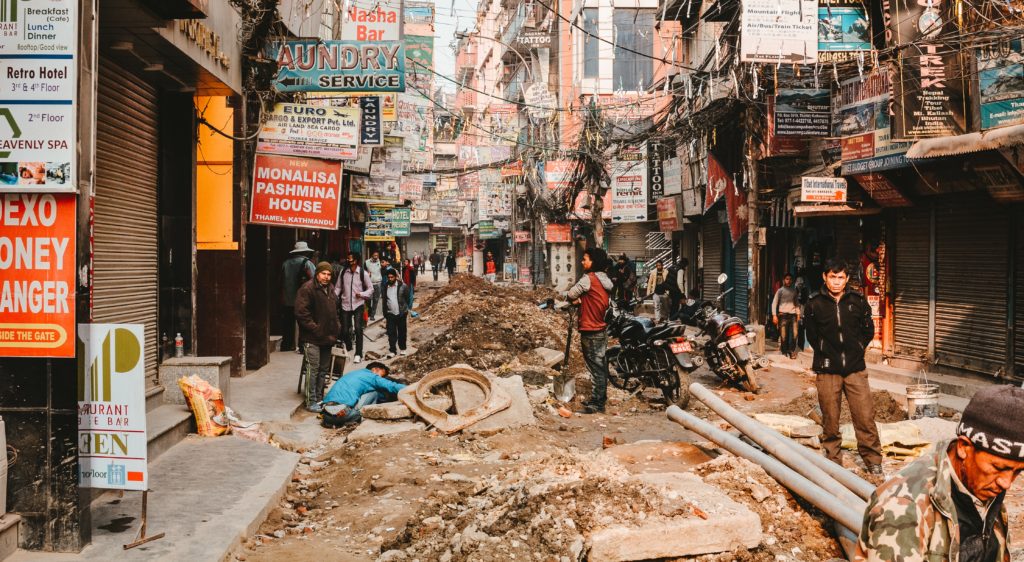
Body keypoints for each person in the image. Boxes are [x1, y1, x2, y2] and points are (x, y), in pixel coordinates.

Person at [856, 385, 1024, 562]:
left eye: (1018, 471)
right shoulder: (903, 506)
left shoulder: (982, 484)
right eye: (998, 468)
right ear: (964, 448)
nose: (1006, 483)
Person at [804, 258, 883, 477]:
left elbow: (868, 330)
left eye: (840, 277)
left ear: (847, 279)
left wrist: (857, 349)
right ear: (824, 277)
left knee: (865, 417)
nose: (836, 282)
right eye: (832, 277)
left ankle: (873, 462)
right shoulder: (814, 303)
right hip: (827, 370)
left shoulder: (857, 300)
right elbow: (811, 334)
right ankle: (833, 462)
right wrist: (823, 351)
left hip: (855, 369)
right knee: (830, 419)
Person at [564, 247, 614, 414]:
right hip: (601, 328)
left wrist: (577, 300)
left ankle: (597, 403)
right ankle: (600, 399)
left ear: (594, 262)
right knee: (599, 365)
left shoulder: (589, 279)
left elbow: (571, 294)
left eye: (585, 259)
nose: (582, 261)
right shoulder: (605, 280)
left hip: (591, 328)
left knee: (596, 367)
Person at [294, 262, 341, 412]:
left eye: (329, 274)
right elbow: (301, 313)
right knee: (312, 369)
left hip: (328, 337)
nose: (326, 277)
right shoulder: (307, 289)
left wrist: (337, 327)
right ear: (317, 274)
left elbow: (335, 310)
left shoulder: (331, 289)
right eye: (323, 274)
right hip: (312, 337)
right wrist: (316, 328)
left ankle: (320, 398)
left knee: (323, 369)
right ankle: (310, 401)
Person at [320, 362, 406, 427]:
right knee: (374, 393)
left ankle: (333, 423)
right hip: (343, 415)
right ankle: (361, 417)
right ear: (375, 369)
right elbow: (391, 386)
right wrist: (411, 388)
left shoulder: (353, 374)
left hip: (326, 415)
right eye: (381, 375)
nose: (380, 378)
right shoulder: (371, 376)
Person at [334, 252, 374, 364]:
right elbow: (338, 287)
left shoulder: (363, 273)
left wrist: (361, 294)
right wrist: (333, 298)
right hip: (345, 304)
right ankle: (349, 346)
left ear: (356, 260)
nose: (348, 260)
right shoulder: (343, 272)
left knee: (358, 328)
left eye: (350, 259)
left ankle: (358, 354)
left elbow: (371, 289)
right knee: (345, 330)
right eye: (347, 258)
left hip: (358, 305)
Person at [280, 241, 316, 352]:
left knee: (287, 323)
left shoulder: (285, 263)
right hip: (302, 299)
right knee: (303, 323)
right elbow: (315, 280)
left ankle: (286, 344)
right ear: (305, 251)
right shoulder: (307, 263)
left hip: (287, 298)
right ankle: (302, 346)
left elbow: (281, 280)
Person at [772, 273, 801, 359]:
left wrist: (798, 314)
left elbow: (796, 303)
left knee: (794, 335)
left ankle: (791, 351)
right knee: (784, 335)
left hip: (793, 315)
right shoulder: (780, 291)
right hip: (783, 315)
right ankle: (784, 351)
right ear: (784, 280)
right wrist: (774, 315)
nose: (788, 281)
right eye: (787, 279)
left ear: (792, 281)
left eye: (790, 279)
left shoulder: (794, 291)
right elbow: (774, 303)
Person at [382, 268, 410, 357]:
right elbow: (384, 300)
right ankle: (392, 350)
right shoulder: (385, 286)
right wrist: (385, 312)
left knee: (402, 332)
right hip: (390, 313)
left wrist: (405, 309)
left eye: (392, 277)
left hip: (401, 313)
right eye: (389, 277)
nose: (390, 279)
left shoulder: (403, 286)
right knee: (391, 333)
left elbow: (408, 298)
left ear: (396, 277)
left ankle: (402, 348)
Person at [365, 251, 383, 321]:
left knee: (376, 300)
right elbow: (364, 272)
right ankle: (369, 312)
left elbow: (382, 270)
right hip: (369, 284)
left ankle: (372, 315)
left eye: (377, 256)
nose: (376, 257)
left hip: (378, 283)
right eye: (374, 255)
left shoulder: (379, 262)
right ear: (372, 255)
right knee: (368, 299)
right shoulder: (367, 262)